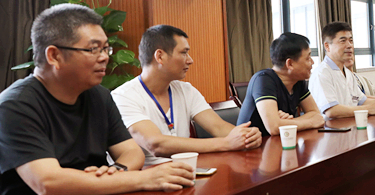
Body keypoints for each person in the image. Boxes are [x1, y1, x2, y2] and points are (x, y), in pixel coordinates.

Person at [0, 5, 194, 195]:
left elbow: (131, 152)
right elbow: (48, 183)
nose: (104, 57)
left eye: (105, 48)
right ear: (54, 56)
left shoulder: (98, 96)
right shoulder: (15, 106)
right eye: (93, 49)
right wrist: (144, 178)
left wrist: (116, 172)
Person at [112, 25, 262, 166]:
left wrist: (247, 136)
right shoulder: (123, 96)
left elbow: (218, 127)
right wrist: (226, 143)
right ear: (160, 56)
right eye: (184, 53)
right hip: (146, 176)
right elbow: (156, 144)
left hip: (186, 171)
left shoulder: (186, 90)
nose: (190, 60)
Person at [237, 32, 325, 135]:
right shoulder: (263, 80)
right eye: (308, 58)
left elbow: (315, 114)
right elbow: (274, 128)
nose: (312, 62)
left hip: (282, 141)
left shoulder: (298, 81)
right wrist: (311, 122)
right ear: (290, 64)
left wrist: (287, 123)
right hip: (254, 143)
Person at [309, 22, 375, 118]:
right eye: (343, 41)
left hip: (351, 124)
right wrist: (367, 109)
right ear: (327, 46)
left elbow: (362, 100)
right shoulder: (322, 73)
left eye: (351, 41)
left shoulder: (347, 73)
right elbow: (331, 111)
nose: (349, 45)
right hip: (331, 126)